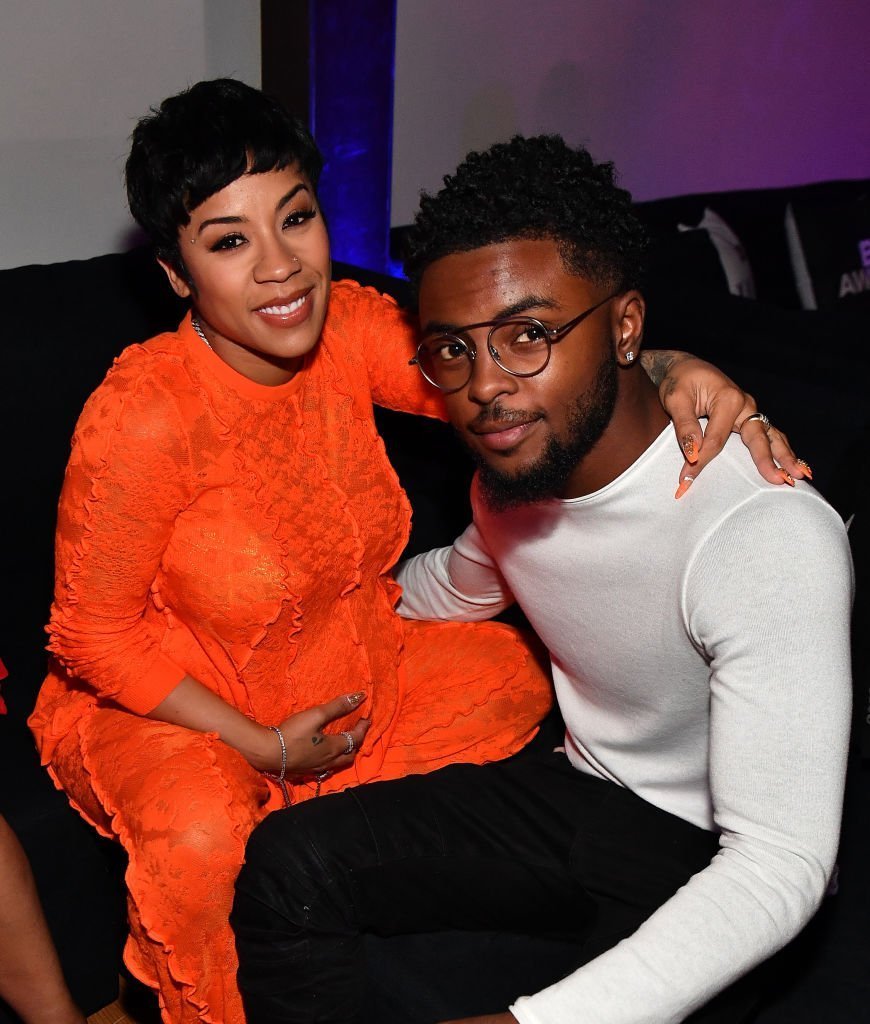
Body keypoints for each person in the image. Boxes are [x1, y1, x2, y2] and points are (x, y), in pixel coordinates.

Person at [27, 78, 794, 1023]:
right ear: (178, 274)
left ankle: (308, 865)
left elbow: (516, 378)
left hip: (337, 664)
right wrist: (259, 744)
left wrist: (667, 366)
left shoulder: (349, 327)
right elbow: (91, 635)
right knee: (196, 835)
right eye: (229, 241)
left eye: (295, 219)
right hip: (181, 702)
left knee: (512, 677)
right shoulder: (143, 417)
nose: (279, 268)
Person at [231, 135, 852, 1024]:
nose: (484, 386)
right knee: (291, 864)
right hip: (584, 795)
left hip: (717, 856)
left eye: (528, 334)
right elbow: (450, 584)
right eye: (453, 349)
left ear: (628, 326)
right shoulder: (510, 481)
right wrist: (279, 633)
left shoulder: (762, 531)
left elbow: (781, 863)